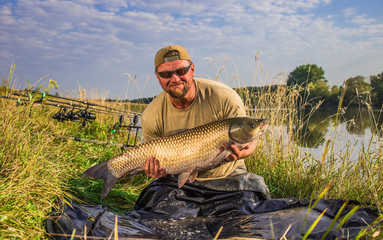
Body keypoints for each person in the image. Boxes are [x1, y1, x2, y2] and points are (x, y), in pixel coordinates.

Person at [136, 45, 270, 216]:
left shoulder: (224, 96)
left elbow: (251, 143)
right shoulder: (151, 115)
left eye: (181, 71)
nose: (175, 78)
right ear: (158, 77)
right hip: (179, 181)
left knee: (243, 215)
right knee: (162, 214)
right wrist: (155, 171)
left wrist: (240, 154)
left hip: (229, 177)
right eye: (166, 74)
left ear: (192, 69)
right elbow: (156, 167)